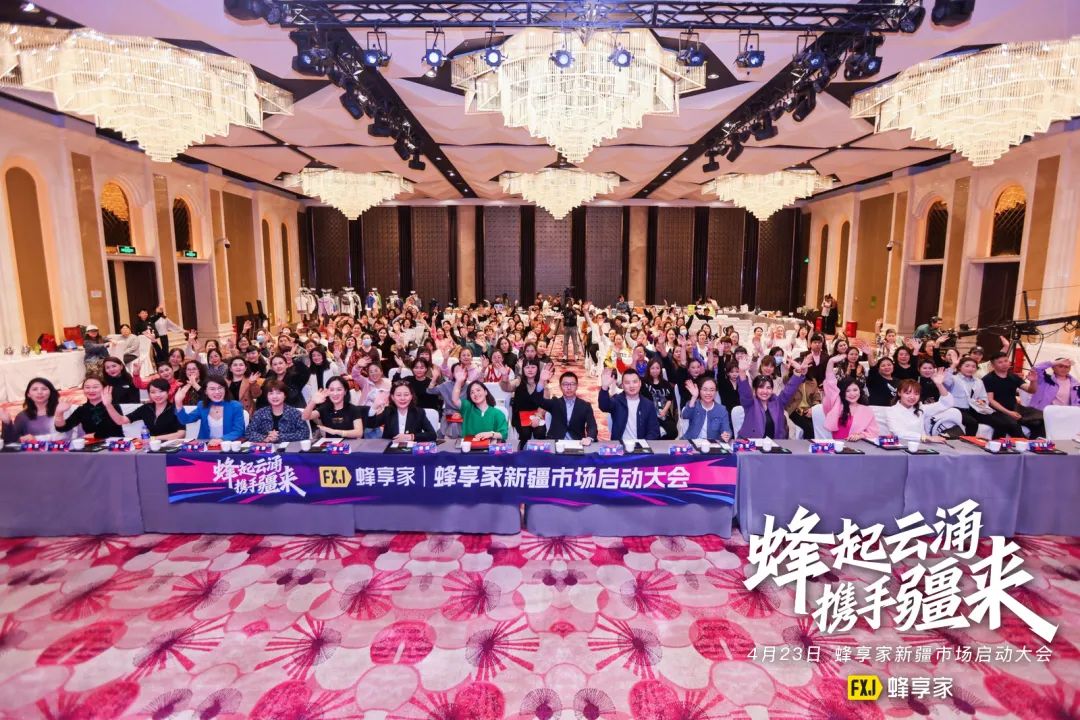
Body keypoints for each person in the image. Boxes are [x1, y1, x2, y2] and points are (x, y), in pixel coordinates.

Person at [736, 357, 808, 439]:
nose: (765, 391)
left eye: (768, 388)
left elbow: (789, 389)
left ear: (772, 390)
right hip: (751, 443)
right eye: (761, 387)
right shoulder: (750, 403)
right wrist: (742, 372)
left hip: (775, 444)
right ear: (755, 390)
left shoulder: (778, 402)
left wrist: (798, 372)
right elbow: (744, 391)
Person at [982, 352, 1045, 438]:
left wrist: (1033, 381)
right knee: (1013, 425)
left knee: (1040, 419)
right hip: (996, 411)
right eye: (1000, 362)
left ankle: (1036, 442)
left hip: (1014, 407)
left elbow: (1031, 390)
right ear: (993, 365)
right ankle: (1023, 443)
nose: (1004, 364)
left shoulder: (1013, 377)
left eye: (1006, 361)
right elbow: (991, 401)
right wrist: (1009, 413)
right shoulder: (988, 379)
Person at [102, 379, 185, 440]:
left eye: (161, 391)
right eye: (153, 392)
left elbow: (181, 434)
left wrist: (154, 438)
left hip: (172, 447)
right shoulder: (146, 408)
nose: (157, 395)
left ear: (168, 392)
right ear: (149, 394)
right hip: (151, 446)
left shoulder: (176, 408)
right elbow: (121, 421)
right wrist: (108, 405)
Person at [883, 374, 956, 443]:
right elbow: (899, 433)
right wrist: (926, 437)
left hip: (923, 446)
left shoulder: (921, 408)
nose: (912, 397)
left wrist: (939, 384)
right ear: (899, 393)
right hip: (901, 447)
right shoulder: (891, 411)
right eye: (907, 393)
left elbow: (946, 404)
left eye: (916, 394)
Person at [823, 356, 879, 441]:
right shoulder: (837, 405)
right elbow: (830, 384)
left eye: (855, 390)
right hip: (838, 446)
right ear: (842, 393)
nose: (852, 394)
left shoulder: (867, 410)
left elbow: (873, 433)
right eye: (847, 391)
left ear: (860, 391)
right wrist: (830, 362)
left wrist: (860, 435)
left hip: (858, 447)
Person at [173, 376, 246, 441]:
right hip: (206, 446)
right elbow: (185, 420)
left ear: (225, 390)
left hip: (228, 446)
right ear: (206, 392)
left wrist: (221, 440)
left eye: (220, 388)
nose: (217, 392)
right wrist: (178, 402)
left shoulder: (235, 406)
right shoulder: (202, 405)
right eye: (212, 389)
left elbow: (238, 431)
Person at [598, 368, 661, 443]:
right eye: (627, 383)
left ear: (640, 383)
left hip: (641, 446)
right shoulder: (617, 400)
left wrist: (643, 444)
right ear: (622, 385)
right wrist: (604, 387)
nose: (631, 386)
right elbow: (603, 406)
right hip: (620, 446)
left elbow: (654, 431)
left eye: (635, 382)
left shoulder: (648, 404)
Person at [943, 356, 1001, 437]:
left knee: (998, 422)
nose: (970, 369)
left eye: (973, 367)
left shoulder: (978, 381)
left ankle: (996, 442)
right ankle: (969, 442)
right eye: (967, 366)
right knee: (972, 423)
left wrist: (982, 401)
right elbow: (945, 380)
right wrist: (953, 365)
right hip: (956, 409)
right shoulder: (954, 379)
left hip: (974, 408)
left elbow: (983, 396)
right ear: (960, 367)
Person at [54, 376, 125, 439]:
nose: (91, 390)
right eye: (87, 387)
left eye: (95, 387)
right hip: (92, 446)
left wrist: (95, 435)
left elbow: (112, 430)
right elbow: (62, 428)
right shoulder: (82, 409)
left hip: (115, 444)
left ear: (104, 388)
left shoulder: (113, 406)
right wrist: (59, 413)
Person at [366, 380, 437, 442]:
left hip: (411, 450)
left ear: (411, 396)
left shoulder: (418, 412)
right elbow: (370, 425)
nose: (402, 398)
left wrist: (411, 437)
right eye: (398, 395)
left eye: (406, 395)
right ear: (392, 397)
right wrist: (374, 407)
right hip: (390, 450)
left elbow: (432, 435)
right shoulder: (388, 411)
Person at [452, 365, 510, 441]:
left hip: (490, 447)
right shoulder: (468, 408)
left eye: (478, 390)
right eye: (472, 392)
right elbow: (455, 400)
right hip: (469, 447)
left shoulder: (497, 413)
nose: (475, 394)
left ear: (485, 392)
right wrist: (458, 382)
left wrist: (491, 434)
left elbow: (504, 434)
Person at [541, 371, 598, 443]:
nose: (569, 387)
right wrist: (541, 381)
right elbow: (538, 400)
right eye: (565, 384)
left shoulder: (585, 406)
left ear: (577, 386)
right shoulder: (555, 403)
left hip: (577, 443)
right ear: (560, 387)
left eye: (572, 384)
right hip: (556, 443)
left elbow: (592, 425)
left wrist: (589, 438)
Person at [245, 380, 311, 443]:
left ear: (285, 395)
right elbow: (249, 433)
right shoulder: (260, 413)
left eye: (278, 393)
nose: (275, 396)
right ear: (267, 396)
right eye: (271, 393)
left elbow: (304, 433)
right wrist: (265, 438)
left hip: (289, 449)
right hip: (265, 449)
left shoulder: (294, 413)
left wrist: (279, 437)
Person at [5, 377, 60, 442]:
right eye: (35, 389)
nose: (39, 392)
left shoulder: (61, 411)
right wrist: (7, 422)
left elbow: (68, 435)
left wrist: (36, 438)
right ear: (28, 394)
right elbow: (12, 441)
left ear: (51, 392)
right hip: (32, 449)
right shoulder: (22, 416)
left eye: (44, 389)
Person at [510, 359, 549, 449]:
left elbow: (545, 403)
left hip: (538, 414)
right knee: (525, 433)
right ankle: (521, 454)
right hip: (520, 415)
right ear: (523, 369)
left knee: (539, 432)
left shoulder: (542, 383)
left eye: (533, 367)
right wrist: (504, 377)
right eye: (527, 367)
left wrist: (538, 417)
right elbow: (507, 387)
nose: (530, 370)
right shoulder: (518, 381)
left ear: (538, 369)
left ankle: (540, 455)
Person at [681, 376, 732, 442]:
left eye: (712, 390)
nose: (708, 393)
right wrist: (694, 397)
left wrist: (726, 435)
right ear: (700, 391)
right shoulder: (694, 404)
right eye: (705, 390)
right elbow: (685, 415)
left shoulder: (721, 410)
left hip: (712, 445)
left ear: (716, 392)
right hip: (691, 442)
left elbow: (726, 429)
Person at [642, 358, 677, 439]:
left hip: (664, 414)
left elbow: (670, 399)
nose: (655, 370)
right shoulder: (643, 382)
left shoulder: (666, 383)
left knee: (673, 432)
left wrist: (664, 410)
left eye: (657, 368)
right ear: (648, 369)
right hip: (649, 415)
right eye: (652, 368)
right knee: (653, 433)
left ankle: (662, 436)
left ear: (660, 369)